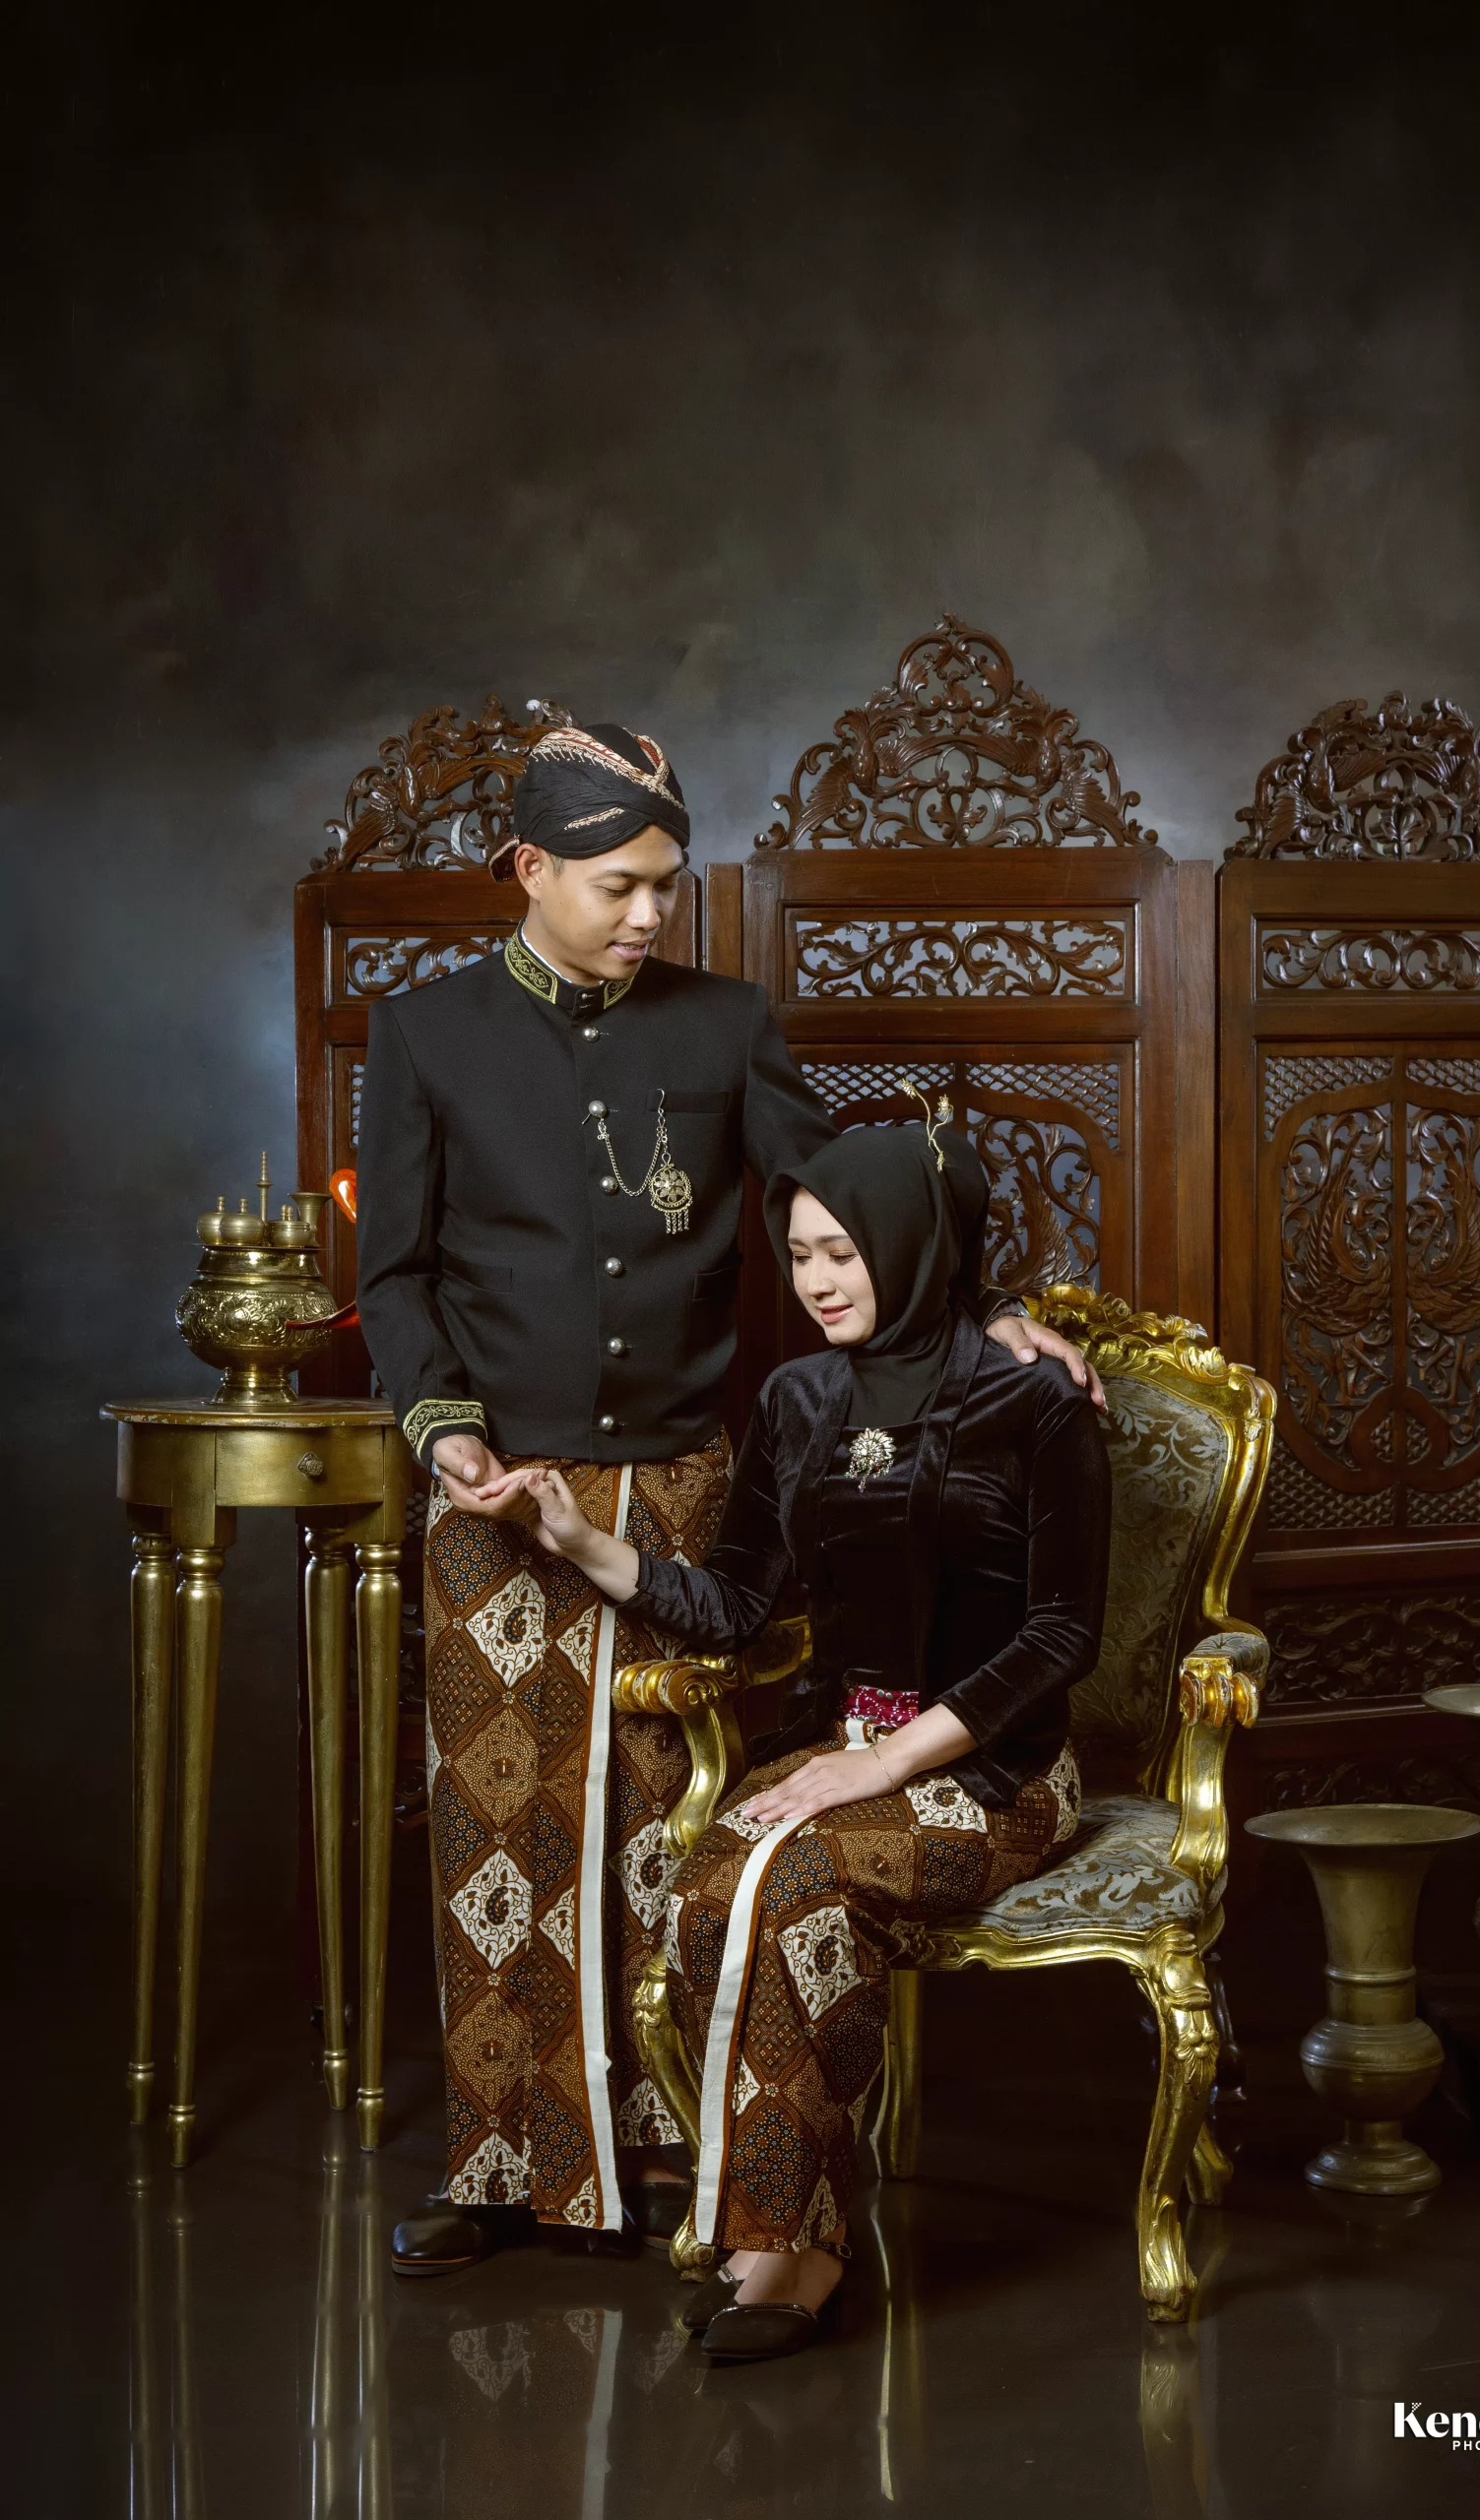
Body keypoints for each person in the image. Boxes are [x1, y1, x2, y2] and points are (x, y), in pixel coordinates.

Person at [354, 721, 1103, 2277]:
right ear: (529, 869)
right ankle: (499, 2170)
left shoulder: (722, 1024)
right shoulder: (424, 1035)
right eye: (617, 886)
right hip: (497, 1487)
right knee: (493, 1828)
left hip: (682, 1483)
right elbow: (398, 1275)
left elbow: (858, 1194)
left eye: (665, 886)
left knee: (654, 1815)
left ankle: (666, 2159)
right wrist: (443, 1435)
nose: (649, 915)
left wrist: (994, 1309)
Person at [515, 1116, 1113, 2360]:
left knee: (796, 1893)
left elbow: (1062, 1634)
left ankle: (799, 2249)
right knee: (698, 1888)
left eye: (845, 1251)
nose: (821, 1281)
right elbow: (737, 1602)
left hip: (994, 1767)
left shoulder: (1036, 1399)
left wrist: (882, 1762)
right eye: (799, 1256)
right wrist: (581, 1544)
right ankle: (780, 2215)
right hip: (836, 1745)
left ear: (912, 1243)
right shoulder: (799, 1399)